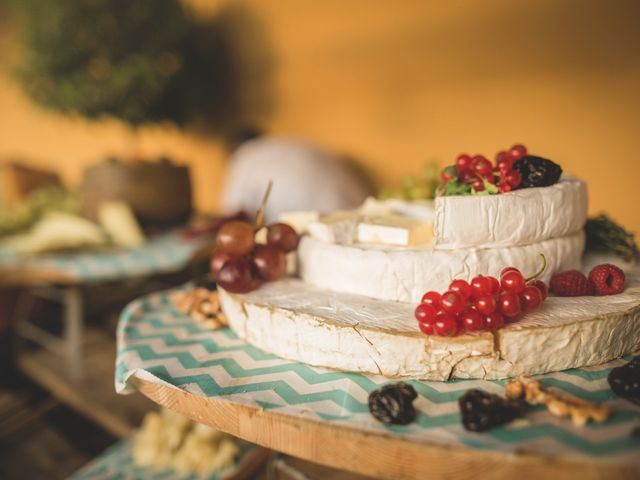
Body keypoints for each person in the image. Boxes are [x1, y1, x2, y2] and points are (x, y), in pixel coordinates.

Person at [220, 132, 373, 222]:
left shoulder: (243, 157)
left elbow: (230, 219)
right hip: (368, 218)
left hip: (326, 231)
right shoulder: (293, 144)